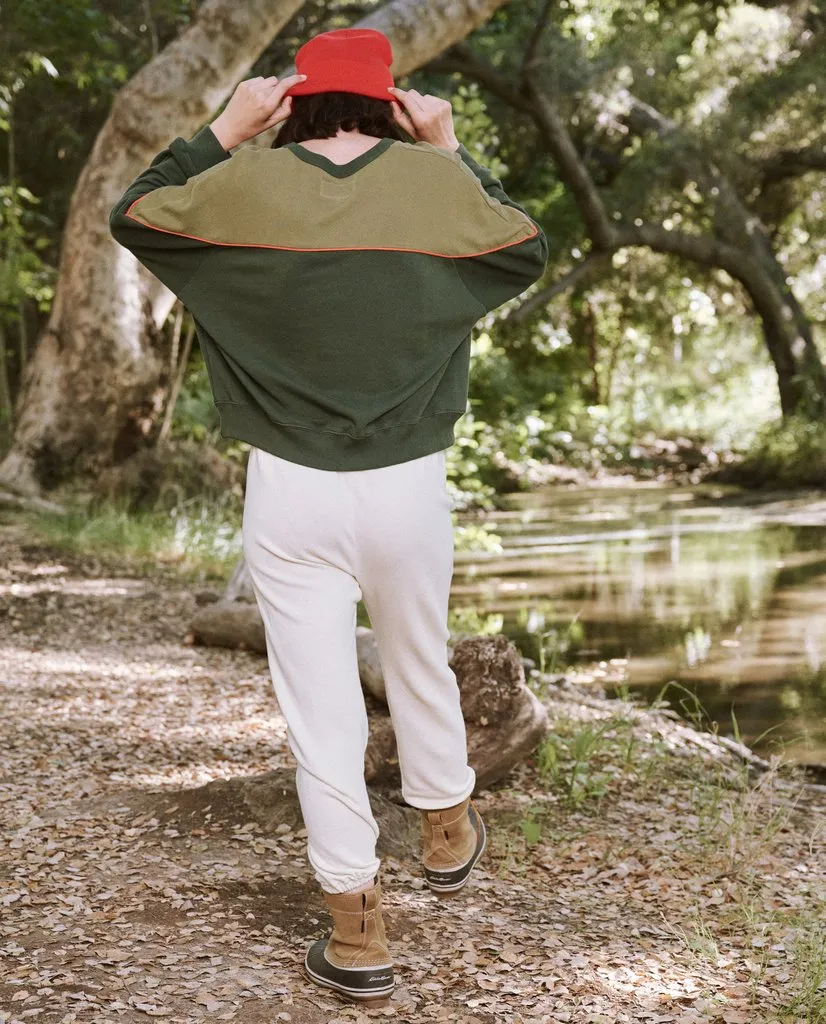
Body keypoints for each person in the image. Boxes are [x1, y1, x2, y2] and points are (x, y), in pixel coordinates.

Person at [108, 26, 549, 1007]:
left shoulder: (240, 187)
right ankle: (443, 821)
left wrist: (224, 131)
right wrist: (444, 150)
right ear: (390, 103)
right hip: (405, 484)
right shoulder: (433, 187)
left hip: (289, 486)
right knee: (419, 655)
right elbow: (525, 247)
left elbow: (134, 215)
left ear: (295, 101)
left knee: (320, 714)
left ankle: (357, 933)